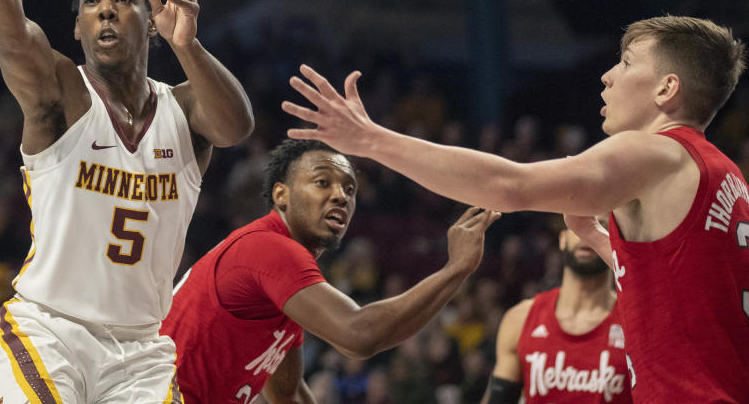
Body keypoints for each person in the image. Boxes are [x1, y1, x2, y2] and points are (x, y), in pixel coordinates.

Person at [283, 15, 749, 403]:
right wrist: (598, 240)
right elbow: (687, 287)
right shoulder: (725, 175)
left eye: (626, 64)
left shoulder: (655, 153)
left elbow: (507, 185)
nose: (607, 76)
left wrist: (371, 140)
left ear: (667, 89)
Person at [0, 0, 254, 403]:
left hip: (141, 351)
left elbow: (237, 128)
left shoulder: (185, 109)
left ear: (152, 20)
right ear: (77, 26)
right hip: (51, 330)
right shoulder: (64, 94)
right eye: (91, 1)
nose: (106, 9)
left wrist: (188, 46)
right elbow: (14, 40)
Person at [160, 138, 499, 404]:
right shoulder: (269, 248)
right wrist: (455, 269)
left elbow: (287, 396)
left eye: (350, 189)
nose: (340, 195)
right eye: (322, 182)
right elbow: (359, 335)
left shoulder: (283, 285)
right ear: (282, 194)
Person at [482, 223, 631, 404]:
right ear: (562, 239)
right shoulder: (521, 318)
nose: (586, 235)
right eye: (580, 224)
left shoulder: (636, 323)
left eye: (601, 226)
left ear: (616, 241)